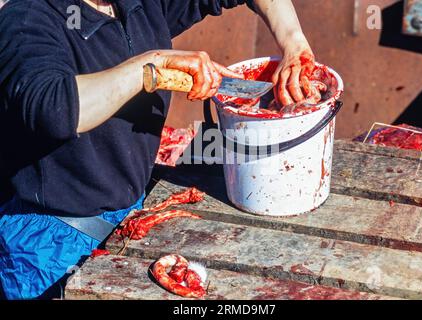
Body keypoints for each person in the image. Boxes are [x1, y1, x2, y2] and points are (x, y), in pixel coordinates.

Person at [0, 0, 315, 299]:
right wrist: (150, 67)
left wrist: (294, 44)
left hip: (129, 218)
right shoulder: (28, 19)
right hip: (50, 242)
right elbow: (55, 110)